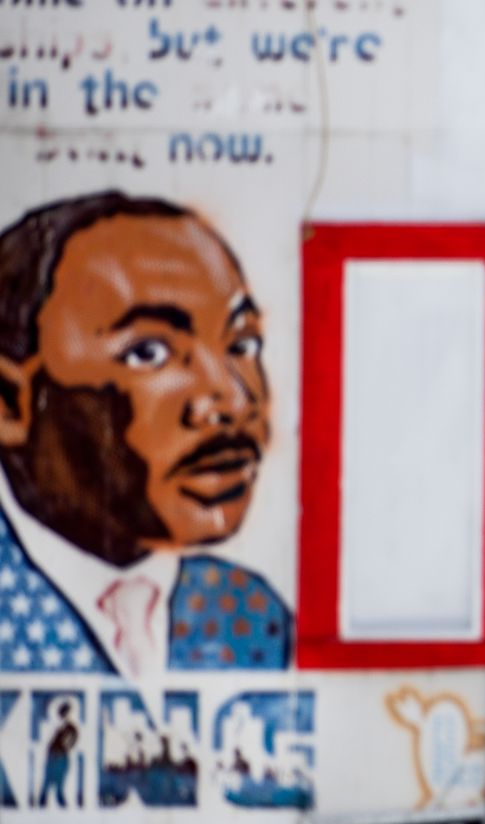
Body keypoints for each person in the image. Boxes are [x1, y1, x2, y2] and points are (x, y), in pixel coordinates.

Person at [0, 192, 291, 674]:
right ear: (11, 403)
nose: (232, 403)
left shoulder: (254, 617)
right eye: (148, 353)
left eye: (242, 343)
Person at [39, 700, 79, 807]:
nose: (64, 715)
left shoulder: (71, 728)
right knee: (48, 781)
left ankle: (59, 802)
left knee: (58, 783)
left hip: (60, 757)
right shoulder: (57, 726)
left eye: (65, 712)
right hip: (54, 756)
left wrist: (63, 748)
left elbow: (72, 740)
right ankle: (44, 802)